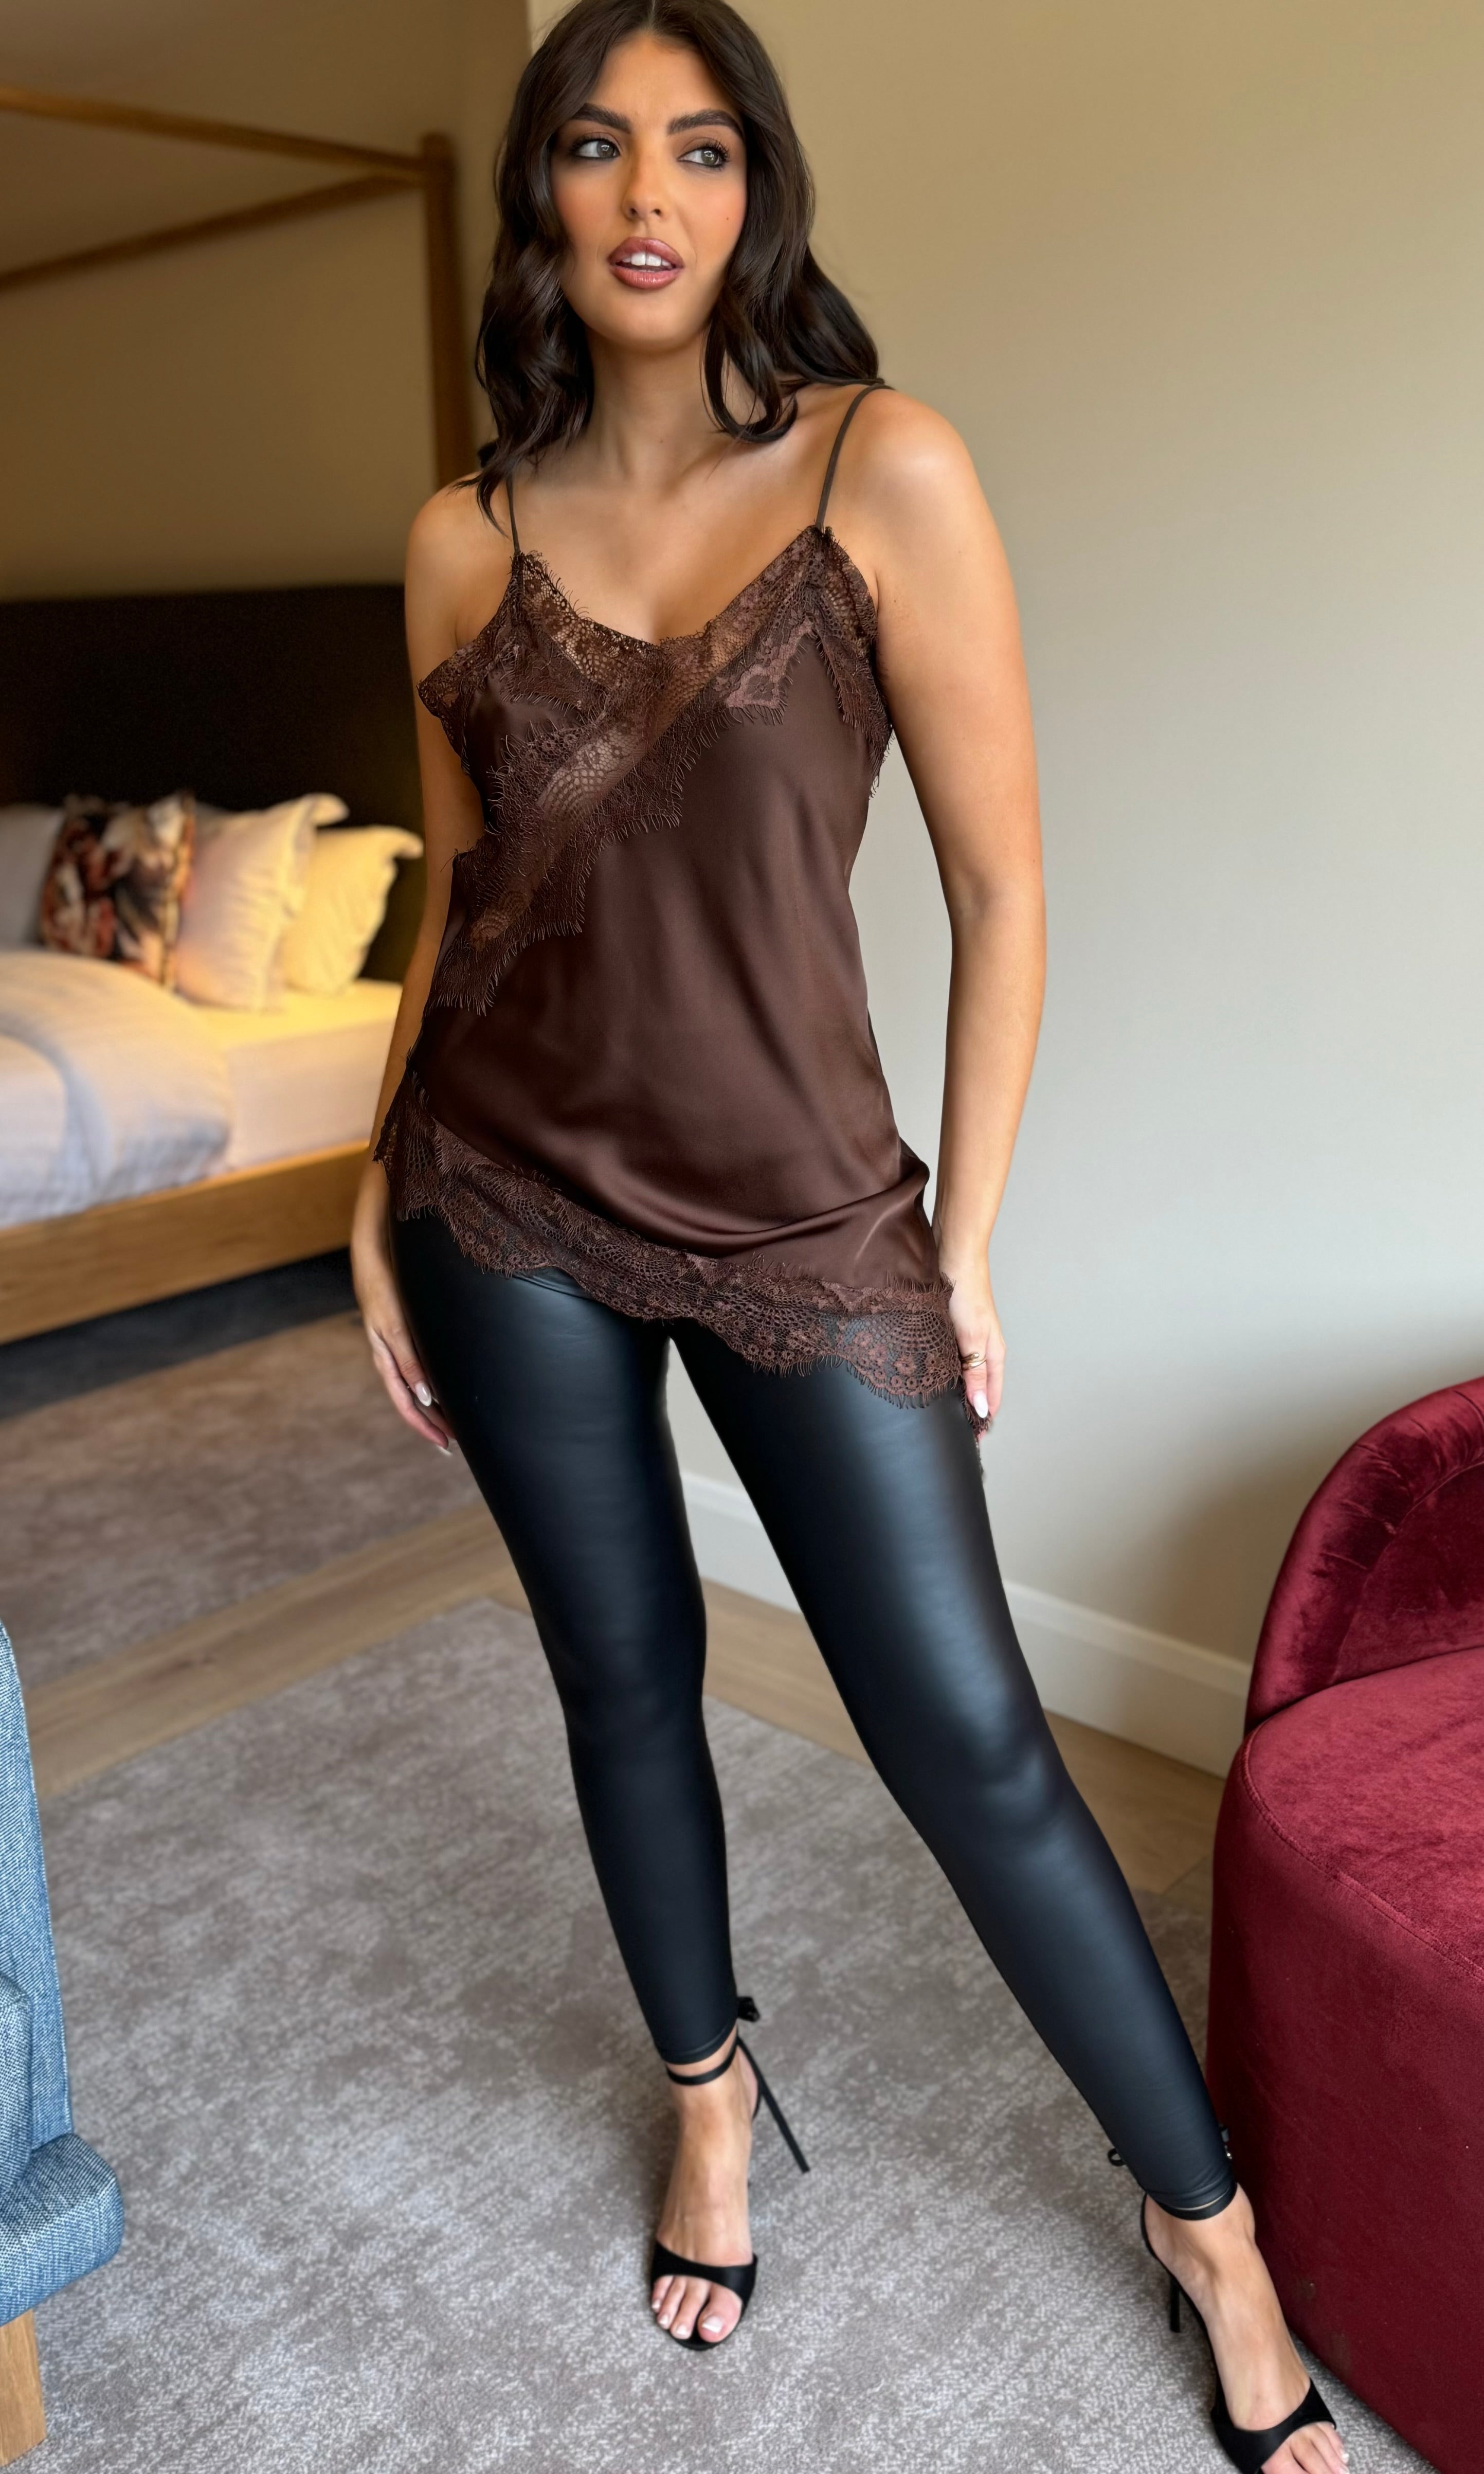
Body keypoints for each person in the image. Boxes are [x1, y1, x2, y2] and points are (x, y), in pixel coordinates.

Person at [352, 4, 1344, 2465]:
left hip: (806, 1218)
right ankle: (708, 2098)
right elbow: (461, 906)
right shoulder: (457, 538)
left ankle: (1203, 2226)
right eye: (597, 146)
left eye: (698, 149)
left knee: (972, 1745)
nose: (645, 195)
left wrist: (962, 1245)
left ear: (754, 188)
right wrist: (377, 1194)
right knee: (621, 1677)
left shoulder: (879, 466)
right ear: (543, 193)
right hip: (498, 1199)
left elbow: (1005, 894)